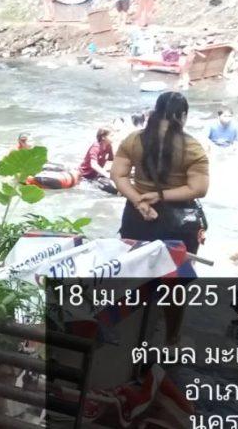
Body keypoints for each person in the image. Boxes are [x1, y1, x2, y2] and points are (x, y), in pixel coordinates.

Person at [111, 92, 210, 345]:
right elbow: (198, 189)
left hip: (137, 217)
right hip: (178, 222)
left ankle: (129, 333)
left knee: (133, 274)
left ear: (154, 111)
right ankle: (171, 337)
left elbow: (118, 175)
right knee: (174, 283)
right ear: (183, 116)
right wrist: (161, 196)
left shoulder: (134, 140)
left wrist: (139, 200)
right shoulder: (192, 148)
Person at [78, 127, 116, 191]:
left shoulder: (108, 146)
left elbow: (112, 159)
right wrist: (108, 175)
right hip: (84, 176)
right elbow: (94, 165)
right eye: (112, 136)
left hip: (95, 175)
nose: (114, 137)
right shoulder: (96, 147)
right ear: (103, 137)